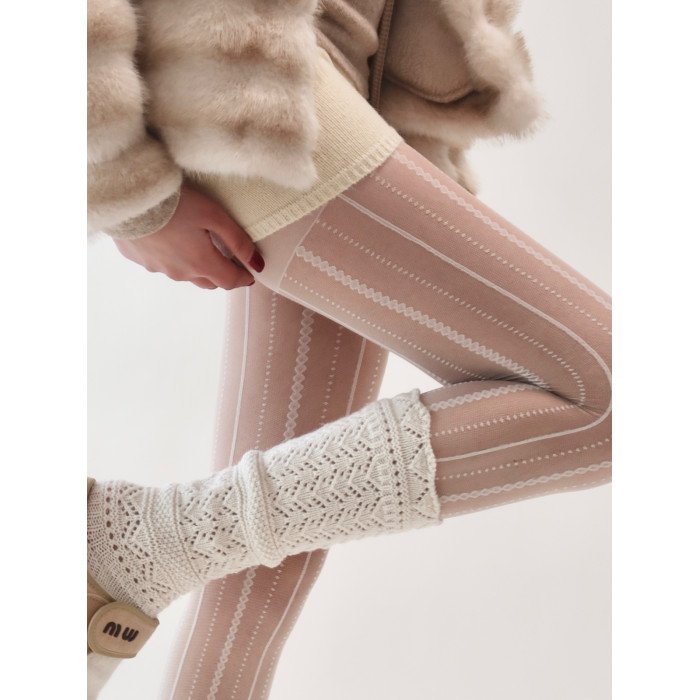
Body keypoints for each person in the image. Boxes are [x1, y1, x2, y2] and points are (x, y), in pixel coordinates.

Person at [87, 1, 611, 697]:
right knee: (609, 393)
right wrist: (121, 187)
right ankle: (142, 541)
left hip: (346, 79)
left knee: (260, 576)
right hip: (233, 60)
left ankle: (148, 544)